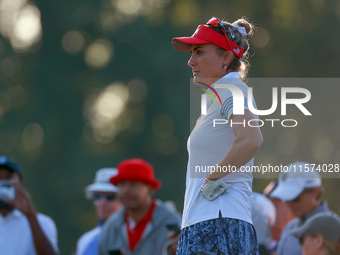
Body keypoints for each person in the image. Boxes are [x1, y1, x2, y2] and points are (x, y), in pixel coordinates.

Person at [172, 17, 263, 254]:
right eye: (192, 53)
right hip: (208, 222)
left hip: (217, 223)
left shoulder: (231, 89)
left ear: (226, 57)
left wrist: (212, 178)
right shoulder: (218, 97)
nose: (191, 61)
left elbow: (251, 139)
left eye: (199, 51)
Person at [98, 158, 181, 255]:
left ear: (150, 189)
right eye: (121, 184)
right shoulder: (111, 227)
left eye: (134, 183)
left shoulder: (172, 223)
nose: (126, 190)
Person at [0, 155, 59, 255]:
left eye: (8, 178)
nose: (2, 184)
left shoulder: (42, 223)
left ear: (21, 184)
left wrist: (31, 216)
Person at [271, 161, 332, 255]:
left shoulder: (333, 229)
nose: (289, 204)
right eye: (286, 198)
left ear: (315, 192)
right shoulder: (289, 228)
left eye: (294, 198)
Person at [76, 168, 122, 255]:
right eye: (97, 196)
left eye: (110, 196)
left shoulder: (139, 235)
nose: (102, 202)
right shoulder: (87, 241)